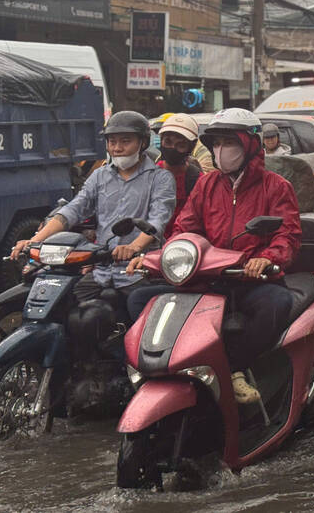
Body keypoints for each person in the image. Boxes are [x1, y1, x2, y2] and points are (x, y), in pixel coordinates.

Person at [127, 108, 301, 405]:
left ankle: (234, 368)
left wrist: (266, 258)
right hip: (208, 279)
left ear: (249, 144)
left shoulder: (276, 186)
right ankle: (155, 370)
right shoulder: (207, 185)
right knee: (139, 300)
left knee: (278, 304)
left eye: (228, 143)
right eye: (216, 144)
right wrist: (158, 259)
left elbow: (288, 234)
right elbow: (185, 230)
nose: (221, 151)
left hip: (252, 280)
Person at [10, 110, 176, 302]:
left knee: (139, 313)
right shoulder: (99, 176)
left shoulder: (160, 178)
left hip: (139, 271)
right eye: (112, 142)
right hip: (102, 272)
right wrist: (34, 240)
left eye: (125, 141)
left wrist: (133, 247)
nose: (117, 148)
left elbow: (158, 220)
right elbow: (74, 210)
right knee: (65, 306)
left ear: (143, 143)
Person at [156, 113, 202, 237]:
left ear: (191, 147)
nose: (172, 148)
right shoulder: (149, 174)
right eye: (168, 142)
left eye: (180, 145)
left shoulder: (198, 180)